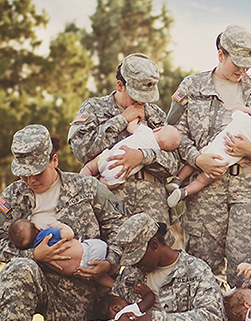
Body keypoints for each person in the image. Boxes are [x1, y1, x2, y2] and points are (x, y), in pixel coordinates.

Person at [0, 125, 124, 321]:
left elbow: (120, 228)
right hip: (33, 278)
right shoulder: (13, 196)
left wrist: (109, 262)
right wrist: (33, 254)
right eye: (24, 174)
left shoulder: (87, 188)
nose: (30, 180)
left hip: (78, 284)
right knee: (20, 268)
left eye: (36, 172)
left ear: (54, 160)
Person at [167, 25, 251, 288]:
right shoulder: (192, 86)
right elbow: (174, 132)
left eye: (248, 65)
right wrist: (197, 159)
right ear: (221, 54)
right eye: (237, 63)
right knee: (201, 263)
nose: (242, 70)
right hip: (206, 186)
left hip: (249, 187)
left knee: (247, 262)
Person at [78, 213, 232, 321]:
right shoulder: (132, 274)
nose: (135, 264)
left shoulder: (196, 270)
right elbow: (118, 311)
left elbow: (211, 318)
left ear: (154, 244)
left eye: (138, 257)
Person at [68, 53, 179, 225]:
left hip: (153, 208)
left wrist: (143, 156)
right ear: (120, 85)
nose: (143, 101)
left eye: (147, 96)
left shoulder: (156, 115)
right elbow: (81, 150)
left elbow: (173, 164)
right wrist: (121, 120)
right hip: (110, 205)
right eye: (137, 95)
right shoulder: (94, 108)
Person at [166, 105, 251, 208]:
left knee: (194, 161)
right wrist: (247, 154)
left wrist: (250, 110)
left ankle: (177, 180)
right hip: (221, 163)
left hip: (211, 149)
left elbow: (236, 109)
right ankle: (184, 192)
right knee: (202, 180)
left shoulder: (242, 118)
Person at [7, 219, 115, 288]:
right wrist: (59, 225)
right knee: (103, 247)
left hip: (80, 271)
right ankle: (115, 267)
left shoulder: (40, 257)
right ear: (36, 226)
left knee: (99, 276)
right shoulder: (46, 234)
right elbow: (69, 234)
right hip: (89, 252)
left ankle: (113, 285)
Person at [79, 122, 181, 189]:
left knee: (90, 167)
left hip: (109, 155)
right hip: (118, 172)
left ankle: (80, 183)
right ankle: (96, 186)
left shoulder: (146, 130)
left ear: (157, 129)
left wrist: (136, 119)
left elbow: (130, 126)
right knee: (103, 186)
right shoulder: (155, 150)